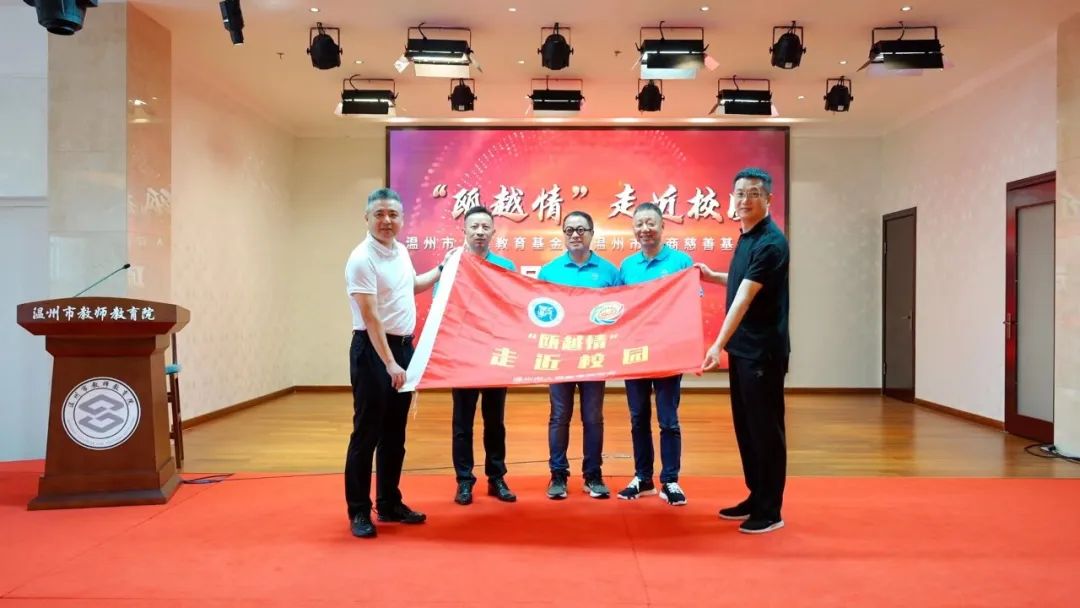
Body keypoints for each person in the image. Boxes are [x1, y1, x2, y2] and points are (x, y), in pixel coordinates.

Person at [343, 187, 447, 539]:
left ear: (402, 219)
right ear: (367, 218)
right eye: (380, 214)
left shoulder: (400, 251)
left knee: (394, 434)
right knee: (367, 433)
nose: (386, 221)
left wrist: (442, 270)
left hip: (403, 349)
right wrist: (389, 363)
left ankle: (389, 503)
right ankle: (359, 511)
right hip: (374, 351)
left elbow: (410, 286)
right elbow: (371, 317)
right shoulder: (361, 259)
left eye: (393, 215)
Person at [700, 167, 790, 534]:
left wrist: (716, 344)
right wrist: (713, 277)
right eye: (739, 193)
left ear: (768, 199)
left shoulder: (771, 242)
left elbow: (744, 299)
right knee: (747, 429)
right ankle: (757, 495)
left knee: (765, 430)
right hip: (743, 351)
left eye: (754, 193)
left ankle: (771, 510)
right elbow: (741, 281)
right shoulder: (746, 235)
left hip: (762, 353)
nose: (745, 200)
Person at [537, 211, 621, 500]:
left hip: (594, 357)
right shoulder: (549, 271)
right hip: (560, 357)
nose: (575, 234)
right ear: (563, 234)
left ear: (592, 233)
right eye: (569, 230)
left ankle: (593, 475)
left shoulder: (610, 272)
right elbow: (539, 315)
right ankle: (558, 474)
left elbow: (622, 312)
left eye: (581, 229)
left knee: (593, 417)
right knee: (559, 416)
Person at [616, 203, 694, 506]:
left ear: (663, 227)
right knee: (638, 418)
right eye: (639, 224)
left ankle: (670, 480)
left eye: (651, 223)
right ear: (633, 229)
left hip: (668, 355)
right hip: (635, 354)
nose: (645, 229)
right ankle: (643, 478)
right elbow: (620, 309)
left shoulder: (681, 261)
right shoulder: (627, 266)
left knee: (668, 420)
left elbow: (689, 304)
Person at [449, 206, 518, 506]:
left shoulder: (505, 266)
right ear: (464, 230)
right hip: (463, 355)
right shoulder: (452, 264)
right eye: (474, 226)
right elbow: (443, 306)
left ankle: (496, 477)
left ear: (493, 232)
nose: (479, 232)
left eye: (485, 227)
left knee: (495, 421)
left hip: (495, 355)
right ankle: (464, 480)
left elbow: (514, 308)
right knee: (462, 423)